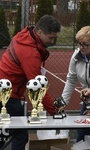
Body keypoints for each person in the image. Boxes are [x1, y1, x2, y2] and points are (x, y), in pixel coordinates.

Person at [0, 15, 61, 150]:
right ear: (39, 32)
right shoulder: (30, 53)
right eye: (50, 37)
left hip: (7, 90)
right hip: (9, 96)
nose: (52, 41)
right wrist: (55, 111)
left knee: (9, 135)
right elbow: (38, 87)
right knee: (19, 136)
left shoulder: (24, 35)